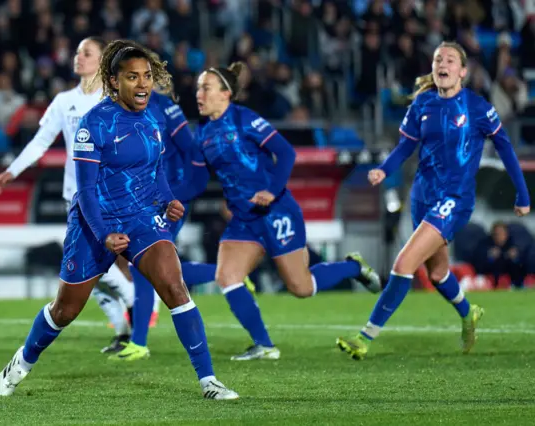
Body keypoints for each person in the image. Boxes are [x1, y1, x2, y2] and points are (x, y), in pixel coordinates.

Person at [0, 39, 238, 400]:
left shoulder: (153, 119)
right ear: (113, 81)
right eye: (132, 77)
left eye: (147, 77)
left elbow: (156, 170)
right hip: (95, 223)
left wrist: (168, 198)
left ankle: (208, 381)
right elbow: (87, 191)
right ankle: (23, 360)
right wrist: (105, 234)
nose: (142, 85)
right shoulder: (94, 125)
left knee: (175, 286)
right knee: (65, 310)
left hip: (141, 216)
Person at [336, 41, 530, 360]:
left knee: (403, 264)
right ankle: (469, 313)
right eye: (438, 58)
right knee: (438, 273)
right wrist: (384, 170)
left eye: (450, 59)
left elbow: (506, 148)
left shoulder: (477, 108)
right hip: (422, 196)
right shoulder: (423, 105)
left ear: (462, 72)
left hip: (454, 199)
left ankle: (365, 336)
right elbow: (404, 147)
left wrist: (522, 194)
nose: (442, 63)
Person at [193, 62, 381, 361]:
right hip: (244, 219)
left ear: (225, 93)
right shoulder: (203, 133)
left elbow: (286, 151)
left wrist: (273, 191)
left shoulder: (244, 119)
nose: (198, 93)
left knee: (301, 287)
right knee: (227, 276)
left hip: (275, 211)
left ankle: (354, 267)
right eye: (198, 87)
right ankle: (265, 345)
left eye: (206, 87)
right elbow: (200, 176)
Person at [0, 37, 135, 352]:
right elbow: (41, 141)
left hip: (109, 195)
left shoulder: (112, 103)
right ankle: (127, 325)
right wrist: (13, 170)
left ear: (102, 61)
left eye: (87, 52)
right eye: (77, 51)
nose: (78, 57)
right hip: (77, 196)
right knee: (85, 268)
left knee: (90, 266)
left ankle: (133, 309)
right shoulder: (63, 101)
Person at [108, 88, 256, 360]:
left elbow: (191, 151)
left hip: (169, 197)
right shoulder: (127, 107)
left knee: (144, 265)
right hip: (146, 197)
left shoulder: (164, 107)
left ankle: (139, 343)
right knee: (151, 266)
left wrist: (180, 193)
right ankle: (227, 273)